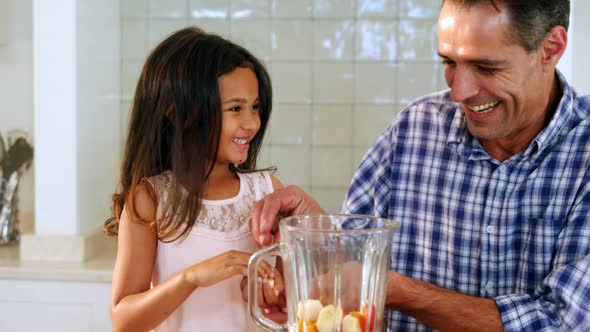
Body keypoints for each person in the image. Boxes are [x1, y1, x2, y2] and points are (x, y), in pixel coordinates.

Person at [251, 0, 590, 330]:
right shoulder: (415, 128)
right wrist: (315, 231)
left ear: (550, 48)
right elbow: (351, 270)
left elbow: (562, 322)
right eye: (449, 62)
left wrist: (398, 291)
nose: (459, 92)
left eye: (486, 67)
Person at [103, 27, 286, 332]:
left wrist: (273, 294)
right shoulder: (150, 199)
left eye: (255, 107)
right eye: (235, 109)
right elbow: (124, 320)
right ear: (178, 114)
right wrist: (193, 277)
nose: (252, 122)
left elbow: (287, 306)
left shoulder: (268, 194)